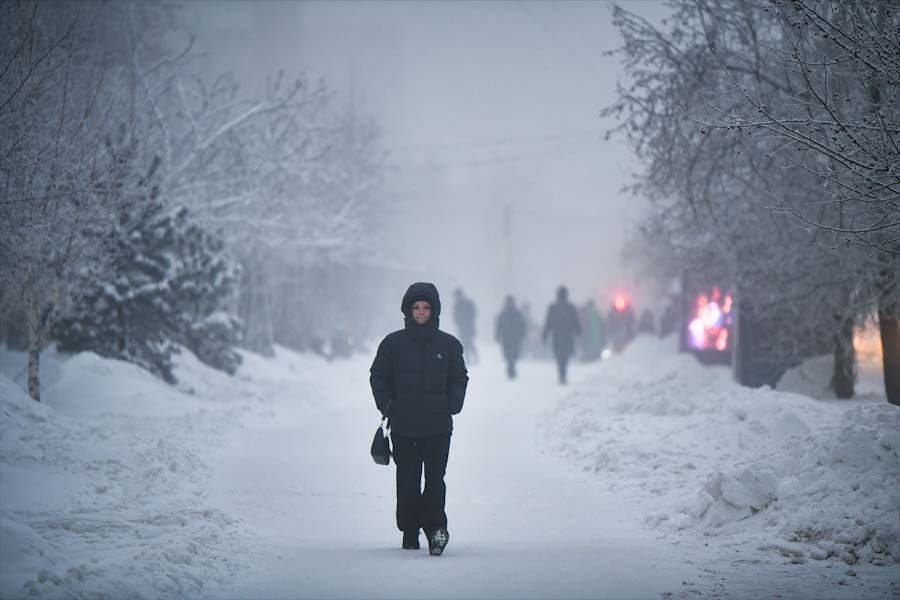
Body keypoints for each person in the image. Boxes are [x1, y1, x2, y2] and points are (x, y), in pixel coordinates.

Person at [369, 282, 469, 556]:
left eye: (426, 308)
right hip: (404, 427)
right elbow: (378, 375)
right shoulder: (392, 344)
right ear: (408, 310)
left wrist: (453, 402)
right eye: (416, 307)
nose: (421, 312)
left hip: (438, 427)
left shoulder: (449, 345)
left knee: (436, 479)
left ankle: (436, 529)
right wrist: (387, 404)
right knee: (408, 480)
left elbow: (459, 377)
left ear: (434, 310)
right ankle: (410, 531)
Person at [542, 286, 581, 384]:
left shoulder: (553, 308)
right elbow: (575, 322)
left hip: (557, 337)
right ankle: (563, 374)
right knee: (565, 357)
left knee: (560, 357)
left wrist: (545, 335)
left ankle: (561, 374)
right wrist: (578, 332)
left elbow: (548, 323)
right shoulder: (570, 307)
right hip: (567, 337)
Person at [495, 295, 527, 379]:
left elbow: (522, 326)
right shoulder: (504, 314)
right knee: (508, 354)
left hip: (515, 338)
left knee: (513, 355)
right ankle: (511, 368)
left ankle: (511, 368)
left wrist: (521, 335)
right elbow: (499, 326)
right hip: (506, 338)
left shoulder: (517, 314)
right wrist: (497, 335)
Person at [452, 288, 478, 364]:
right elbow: (455, 316)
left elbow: (474, 314)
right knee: (465, 343)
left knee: (468, 342)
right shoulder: (457, 305)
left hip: (469, 327)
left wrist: (466, 320)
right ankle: (469, 358)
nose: (457, 297)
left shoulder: (468, 303)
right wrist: (458, 323)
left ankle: (472, 357)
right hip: (462, 327)